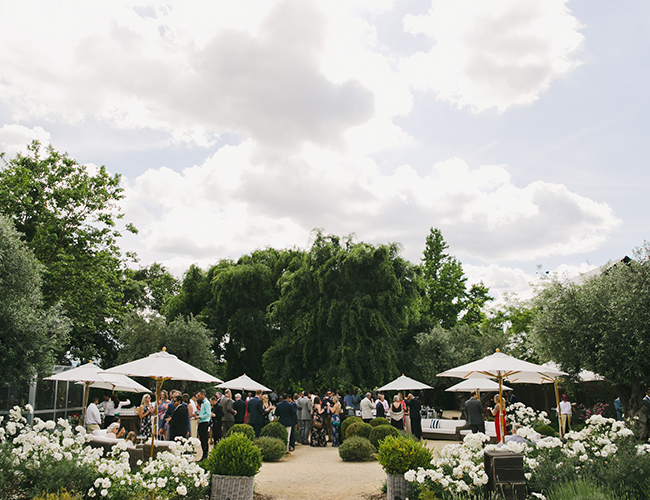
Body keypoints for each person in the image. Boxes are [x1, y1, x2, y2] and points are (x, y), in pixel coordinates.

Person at [196, 390, 211, 461]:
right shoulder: (202, 403)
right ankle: (204, 454)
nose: (198, 397)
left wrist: (200, 417)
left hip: (204, 422)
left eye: (199, 396)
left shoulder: (206, 403)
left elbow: (208, 413)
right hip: (201, 421)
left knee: (204, 439)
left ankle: (205, 454)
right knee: (202, 438)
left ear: (202, 395)